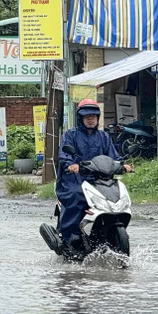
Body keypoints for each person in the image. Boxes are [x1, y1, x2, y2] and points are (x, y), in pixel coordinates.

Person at [55, 99, 132, 249]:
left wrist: (122, 165)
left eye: (93, 116)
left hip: (99, 179)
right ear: (80, 118)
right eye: (87, 116)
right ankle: (70, 235)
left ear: (98, 118)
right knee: (78, 196)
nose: (90, 119)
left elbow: (113, 156)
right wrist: (71, 165)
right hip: (74, 180)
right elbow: (64, 155)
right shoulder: (70, 135)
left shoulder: (103, 137)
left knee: (114, 196)